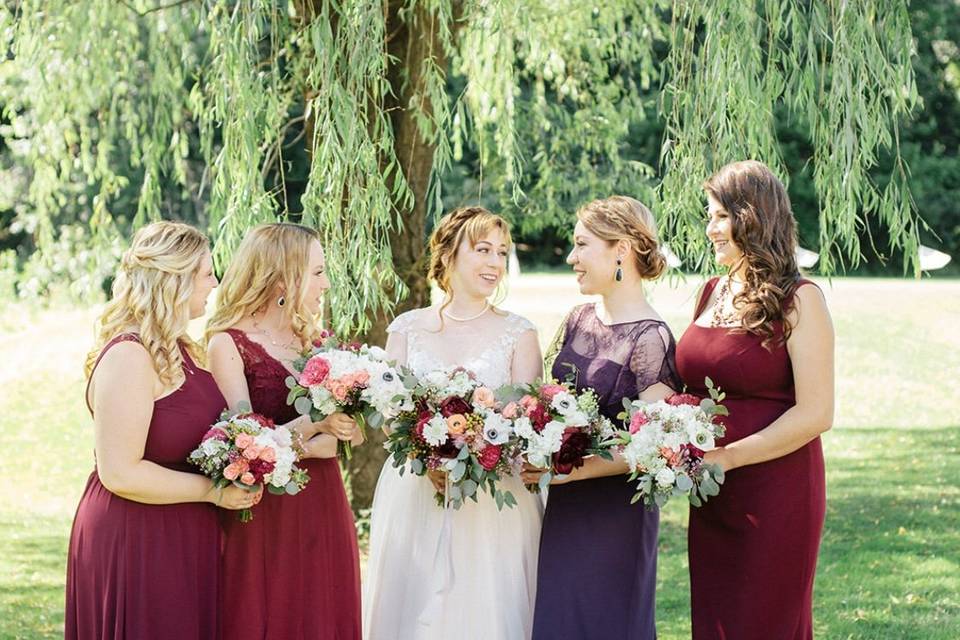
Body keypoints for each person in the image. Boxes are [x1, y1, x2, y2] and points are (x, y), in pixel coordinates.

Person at [65, 221, 257, 640]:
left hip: (186, 534)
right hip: (136, 535)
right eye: (207, 273)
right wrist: (210, 491)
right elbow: (120, 473)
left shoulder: (184, 349)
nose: (216, 282)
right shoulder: (129, 357)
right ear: (176, 280)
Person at [363, 206, 544, 640]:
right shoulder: (407, 328)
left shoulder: (519, 333)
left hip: (494, 494)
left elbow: (526, 418)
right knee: (416, 603)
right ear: (447, 254)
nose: (495, 263)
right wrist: (428, 459)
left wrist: (478, 449)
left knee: (487, 606)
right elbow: (390, 414)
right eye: (483, 250)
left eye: (501, 253)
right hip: (416, 490)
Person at [676, 160, 833, 639]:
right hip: (713, 492)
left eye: (720, 216)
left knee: (763, 621)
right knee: (717, 620)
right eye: (710, 216)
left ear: (752, 216)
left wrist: (728, 456)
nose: (710, 229)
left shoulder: (800, 299)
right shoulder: (710, 292)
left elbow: (817, 412)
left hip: (775, 487)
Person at [524, 196, 680, 640]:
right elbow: (547, 399)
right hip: (565, 505)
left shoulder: (652, 338)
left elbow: (655, 448)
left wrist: (575, 470)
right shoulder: (578, 319)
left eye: (581, 245)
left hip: (616, 512)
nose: (572, 258)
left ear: (621, 250)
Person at [206, 222, 362, 640]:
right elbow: (244, 447)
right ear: (281, 275)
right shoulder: (228, 344)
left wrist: (340, 431)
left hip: (323, 501)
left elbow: (342, 441)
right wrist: (312, 430)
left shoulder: (317, 342)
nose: (326, 283)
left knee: (322, 614)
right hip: (264, 511)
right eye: (316, 272)